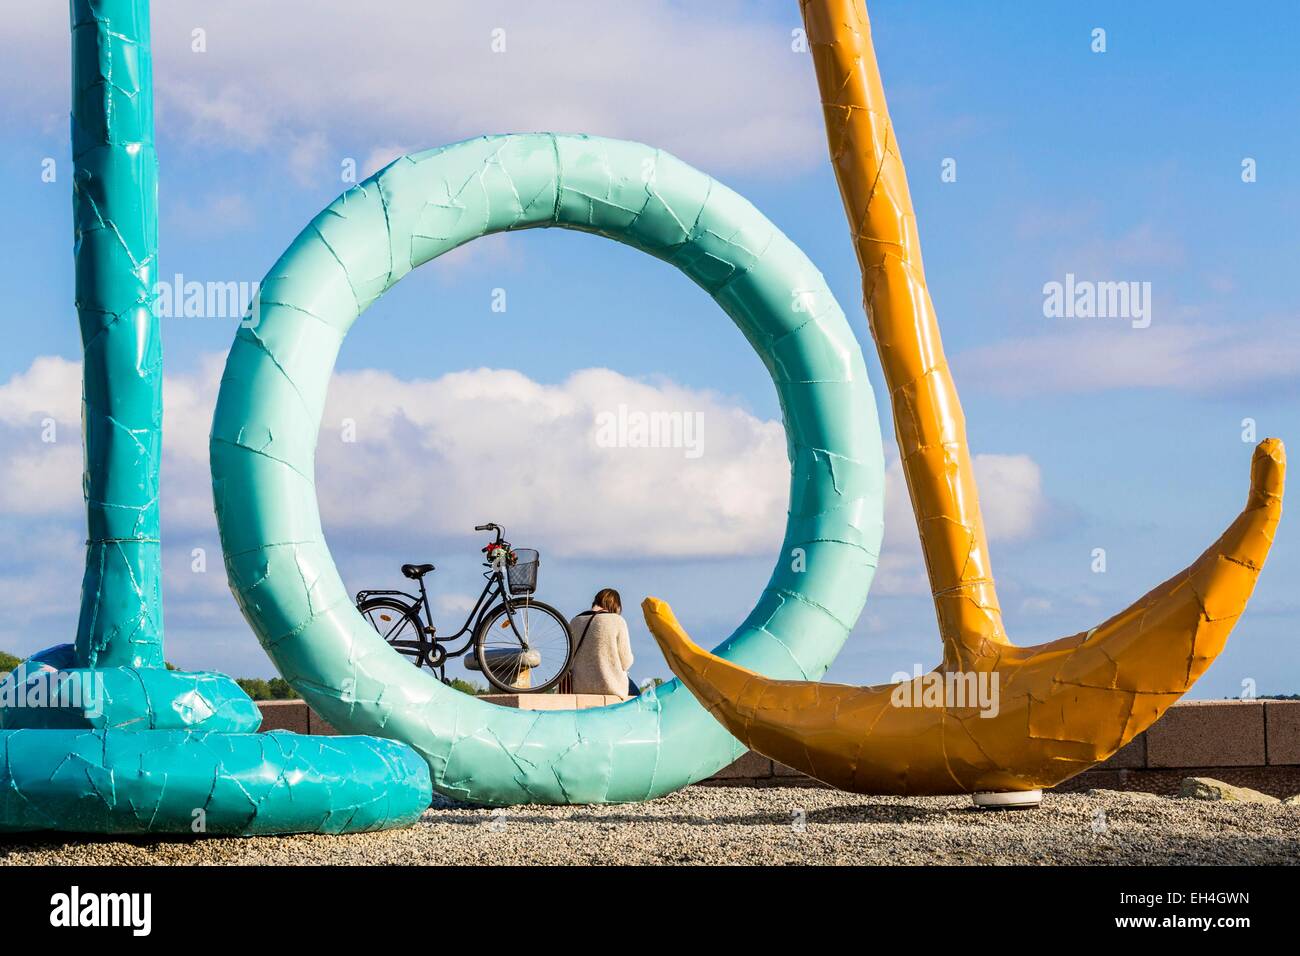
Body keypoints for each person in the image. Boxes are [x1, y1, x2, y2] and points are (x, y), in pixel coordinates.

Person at [568, 588, 637, 698]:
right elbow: (626, 662)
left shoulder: (575, 621)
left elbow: (570, 659)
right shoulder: (617, 621)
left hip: (579, 686)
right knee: (640, 699)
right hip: (610, 686)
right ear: (616, 606)